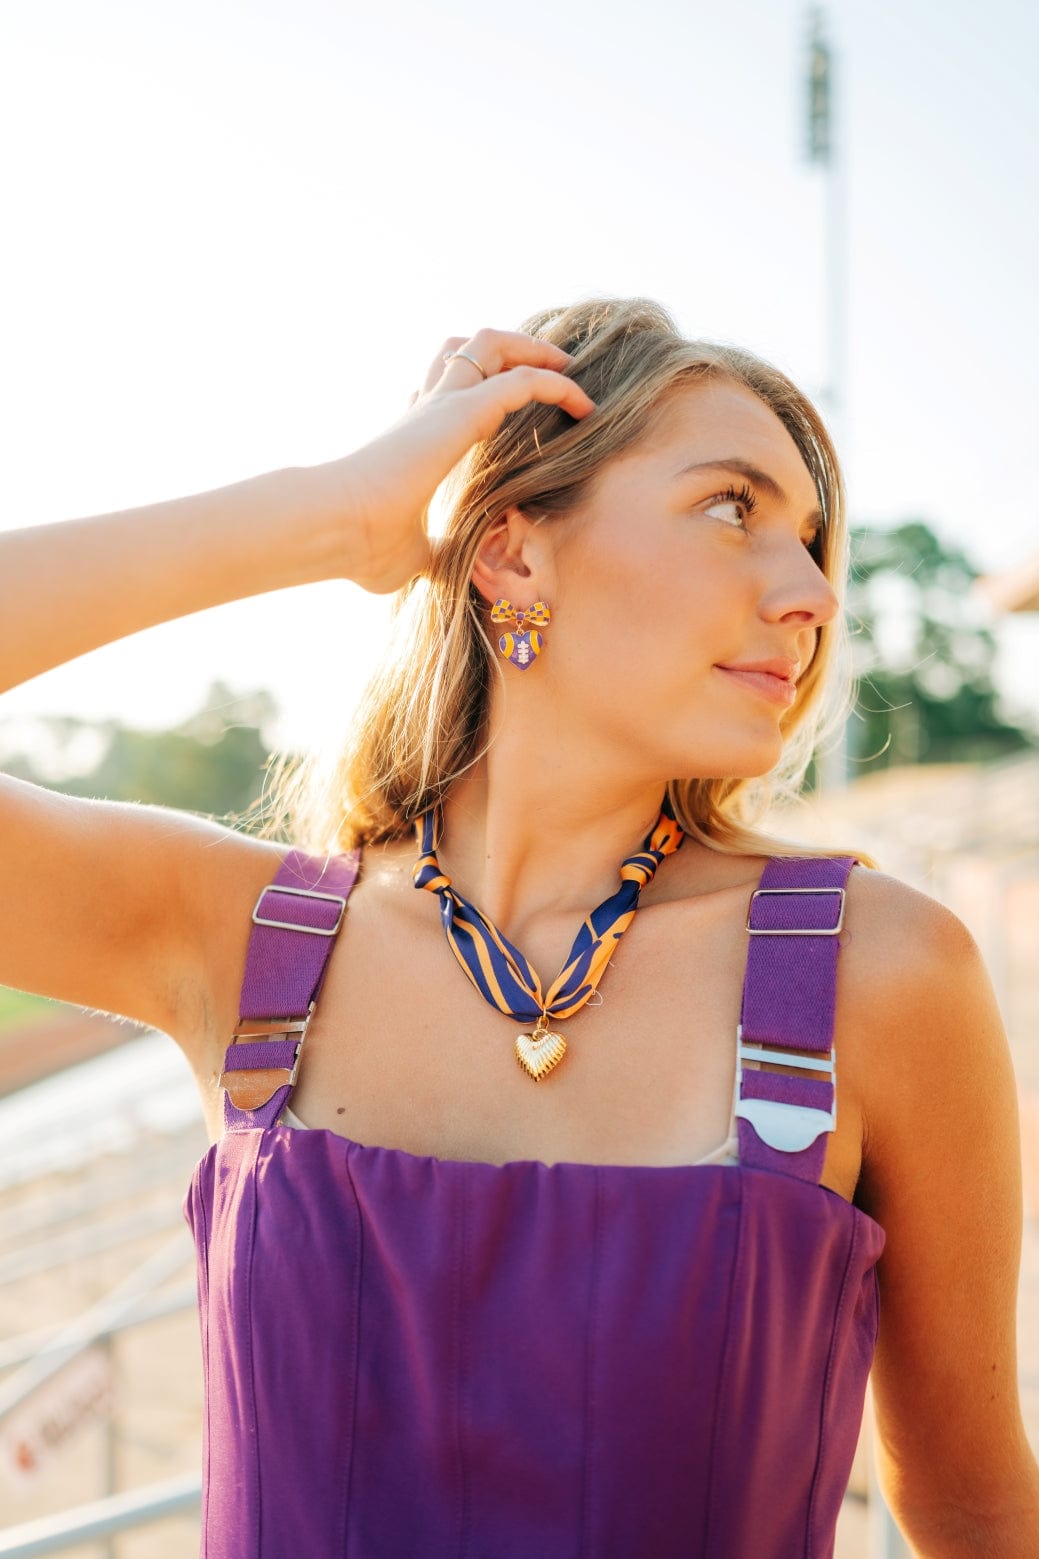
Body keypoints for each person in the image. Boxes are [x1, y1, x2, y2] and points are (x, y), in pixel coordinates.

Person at [1, 297, 1037, 1557]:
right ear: (513, 555)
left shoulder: (876, 971)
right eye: (732, 507)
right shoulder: (240, 935)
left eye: (815, 541)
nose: (812, 590)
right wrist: (336, 514)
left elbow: (975, 1510)